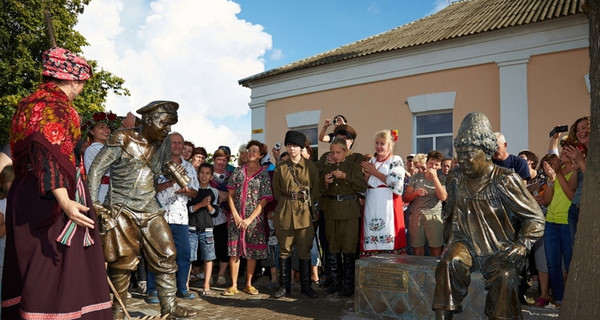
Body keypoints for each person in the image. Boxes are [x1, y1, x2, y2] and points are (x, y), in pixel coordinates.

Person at [2, 47, 112, 319]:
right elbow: (47, 155)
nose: (81, 91)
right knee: (55, 269)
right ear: (73, 81)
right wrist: (66, 203)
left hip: (24, 192)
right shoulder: (58, 108)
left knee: (30, 267)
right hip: (52, 198)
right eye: (82, 85)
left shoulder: (25, 106)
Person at [88, 100, 196, 319]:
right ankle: (118, 308)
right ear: (148, 120)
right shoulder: (122, 138)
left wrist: (174, 171)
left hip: (150, 208)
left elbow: (162, 167)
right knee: (122, 262)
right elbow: (96, 170)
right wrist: (96, 206)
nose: (167, 130)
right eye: (164, 124)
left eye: (170, 125)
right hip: (122, 209)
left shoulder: (161, 142)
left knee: (167, 254)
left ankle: (170, 307)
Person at [432, 112, 545, 320]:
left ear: (486, 152)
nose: (462, 159)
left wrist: (522, 244)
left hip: (498, 248)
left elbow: (535, 218)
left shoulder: (505, 180)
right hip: (464, 243)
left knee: (506, 276)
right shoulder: (456, 178)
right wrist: (450, 242)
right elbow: (450, 215)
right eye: (460, 152)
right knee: (448, 263)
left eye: (469, 153)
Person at [151, 132, 199, 300]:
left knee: (183, 253)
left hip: (181, 217)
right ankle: (153, 289)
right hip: (159, 216)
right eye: (174, 143)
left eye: (180, 143)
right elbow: (150, 189)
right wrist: (171, 182)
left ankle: (182, 288)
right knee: (157, 254)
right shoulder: (157, 163)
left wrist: (187, 190)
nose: (177, 145)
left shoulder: (189, 167)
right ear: (167, 145)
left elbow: (195, 192)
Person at [272, 130, 320, 299]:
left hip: (304, 214)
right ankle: (284, 287)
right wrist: (288, 203)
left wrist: (303, 203)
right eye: (289, 145)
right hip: (285, 212)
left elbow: (315, 190)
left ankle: (306, 286)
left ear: (302, 148)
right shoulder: (281, 168)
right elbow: (277, 192)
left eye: (295, 146)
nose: (292, 149)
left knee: (304, 250)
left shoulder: (311, 167)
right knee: (284, 250)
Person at [223, 140, 273, 296]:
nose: (250, 153)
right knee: (234, 252)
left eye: (254, 151)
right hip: (236, 219)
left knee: (252, 252)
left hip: (254, 220)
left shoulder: (263, 175)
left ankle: (249, 284)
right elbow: (230, 195)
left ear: (260, 155)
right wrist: (236, 216)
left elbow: (263, 201)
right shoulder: (238, 171)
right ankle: (233, 285)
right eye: (249, 150)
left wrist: (250, 219)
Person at [320, 138, 367, 296]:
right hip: (332, 210)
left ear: (345, 151)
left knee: (348, 247)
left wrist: (345, 176)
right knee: (333, 246)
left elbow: (362, 186)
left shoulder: (353, 167)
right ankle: (335, 282)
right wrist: (325, 183)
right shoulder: (327, 167)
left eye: (338, 152)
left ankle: (348, 284)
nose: (335, 155)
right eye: (332, 152)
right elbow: (320, 191)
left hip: (349, 211)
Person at [360, 130, 407, 257]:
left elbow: (395, 183)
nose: (379, 146)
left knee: (388, 230)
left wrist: (374, 172)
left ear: (389, 146)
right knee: (371, 231)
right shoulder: (372, 162)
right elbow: (364, 185)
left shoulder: (395, 160)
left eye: (382, 143)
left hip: (388, 201)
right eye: (377, 143)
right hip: (372, 199)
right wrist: (366, 175)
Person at [541, 144, 575, 307]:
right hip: (550, 223)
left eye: (567, 151)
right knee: (552, 263)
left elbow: (571, 196)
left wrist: (558, 174)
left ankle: (570, 298)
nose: (563, 153)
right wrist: (551, 179)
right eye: (562, 151)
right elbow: (547, 200)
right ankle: (560, 300)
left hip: (567, 223)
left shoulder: (575, 172)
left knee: (569, 263)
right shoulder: (555, 174)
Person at [403, 150, 447, 257]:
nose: (433, 166)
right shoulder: (416, 177)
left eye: (436, 165)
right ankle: (420, 273)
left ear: (440, 167)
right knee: (417, 249)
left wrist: (435, 178)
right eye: (431, 163)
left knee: (436, 249)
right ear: (426, 164)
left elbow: (443, 197)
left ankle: (435, 273)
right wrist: (415, 194)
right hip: (416, 216)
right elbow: (405, 198)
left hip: (434, 216)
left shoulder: (443, 179)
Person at [187, 163, 220, 296]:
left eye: (207, 173)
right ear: (197, 174)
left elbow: (215, 213)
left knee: (208, 257)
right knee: (189, 257)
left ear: (212, 176)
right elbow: (188, 210)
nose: (204, 176)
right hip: (191, 228)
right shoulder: (191, 190)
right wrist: (200, 204)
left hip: (207, 230)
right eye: (201, 173)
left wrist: (208, 206)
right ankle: (185, 284)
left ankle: (206, 284)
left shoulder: (214, 192)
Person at [83, 111, 121, 204]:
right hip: (101, 191)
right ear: (91, 131)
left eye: (108, 127)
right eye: (101, 127)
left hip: (112, 190)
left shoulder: (107, 148)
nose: (106, 130)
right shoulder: (94, 149)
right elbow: (119, 164)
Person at [563, 116, 590, 248]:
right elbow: (572, 186)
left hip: (589, 208)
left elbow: (594, 180)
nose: (581, 132)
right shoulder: (582, 154)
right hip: (575, 208)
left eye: (584, 128)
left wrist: (580, 161)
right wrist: (575, 170)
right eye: (578, 129)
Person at [210, 148, 233, 286]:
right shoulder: (206, 173)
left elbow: (229, 196)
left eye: (224, 160)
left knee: (222, 246)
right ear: (213, 160)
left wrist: (216, 194)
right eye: (219, 159)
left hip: (224, 217)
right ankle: (203, 272)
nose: (221, 162)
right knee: (207, 246)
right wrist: (219, 194)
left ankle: (221, 275)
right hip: (206, 215)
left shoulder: (230, 175)